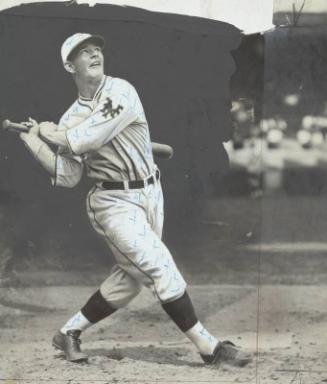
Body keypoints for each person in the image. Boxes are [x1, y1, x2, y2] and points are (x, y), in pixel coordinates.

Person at [19, 33, 252, 367]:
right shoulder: (70, 117)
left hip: (150, 193)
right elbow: (69, 175)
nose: (95, 53)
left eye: (97, 48)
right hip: (111, 202)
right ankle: (210, 347)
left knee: (129, 281)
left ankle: (68, 332)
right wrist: (34, 142)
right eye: (84, 52)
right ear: (70, 65)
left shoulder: (120, 90)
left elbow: (87, 138)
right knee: (160, 266)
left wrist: (49, 133)